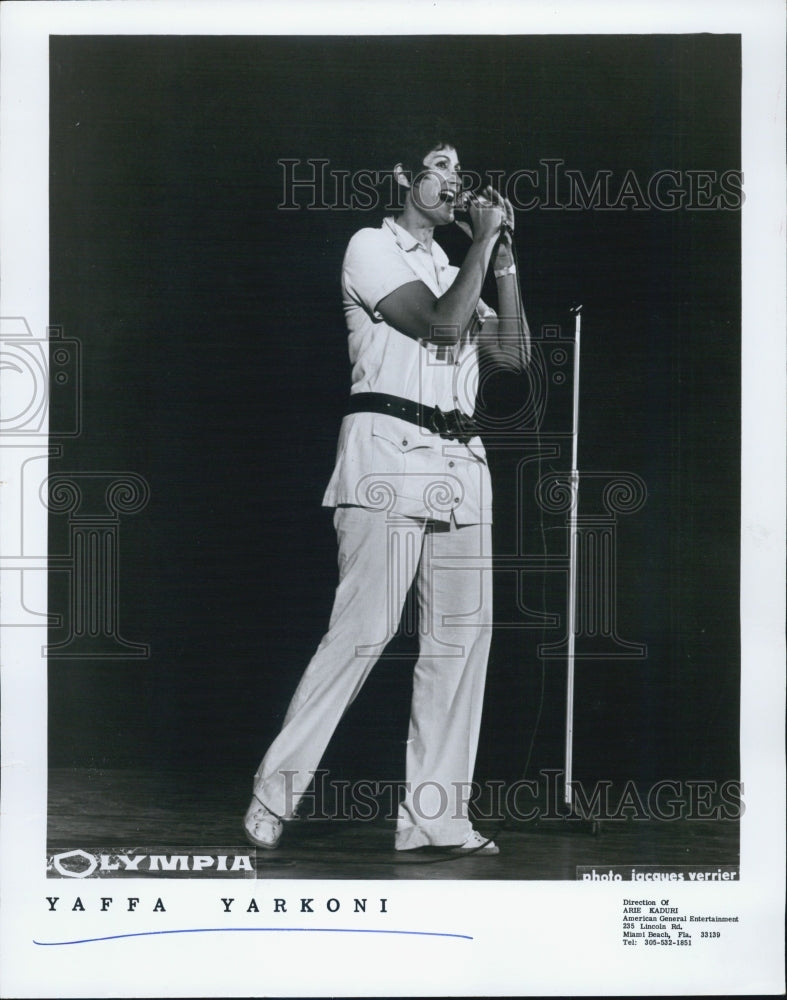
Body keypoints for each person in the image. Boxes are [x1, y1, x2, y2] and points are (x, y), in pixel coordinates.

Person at [244, 131, 531, 854]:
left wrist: (502, 262)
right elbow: (438, 327)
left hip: (459, 458)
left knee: (460, 643)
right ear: (404, 177)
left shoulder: (451, 260)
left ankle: (434, 818)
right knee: (362, 632)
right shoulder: (369, 247)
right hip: (385, 451)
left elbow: (511, 357)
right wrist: (481, 244)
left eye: (461, 173)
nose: (453, 184)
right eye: (439, 169)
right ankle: (271, 797)